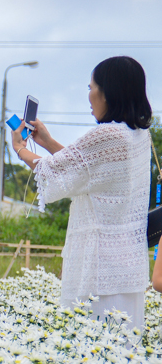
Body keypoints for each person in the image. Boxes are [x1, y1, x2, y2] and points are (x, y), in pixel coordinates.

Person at [12, 56, 152, 331]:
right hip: (128, 268)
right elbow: (86, 169)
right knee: (124, 358)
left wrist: (20, 147)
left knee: (92, 355)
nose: (89, 96)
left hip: (98, 268)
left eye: (91, 87)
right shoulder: (137, 136)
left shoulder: (107, 135)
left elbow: (52, 170)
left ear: (107, 91)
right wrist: (48, 141)